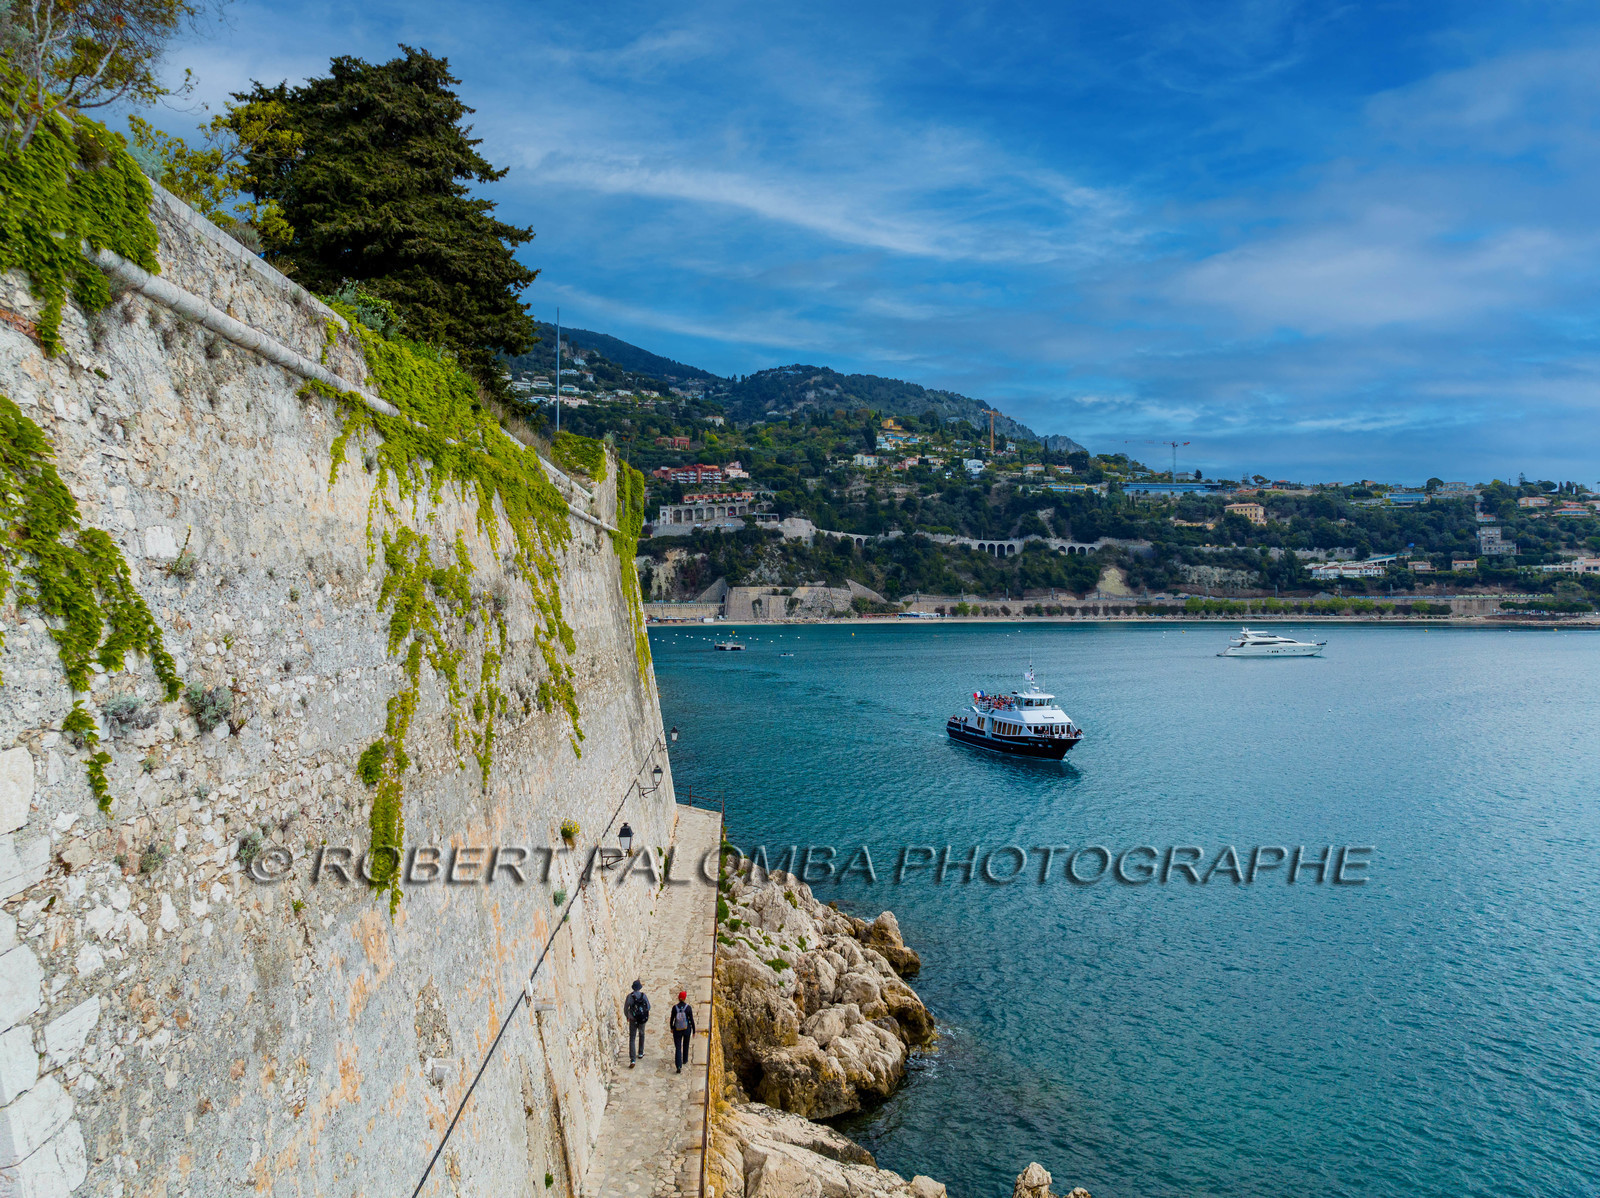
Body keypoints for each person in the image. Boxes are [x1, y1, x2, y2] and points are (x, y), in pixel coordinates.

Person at [623, 980, 649, 1067]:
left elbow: (626, 1008)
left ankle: (633, 1059)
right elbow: (648, 1007)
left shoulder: (629, 997)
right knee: (642, 1034)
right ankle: (641, 1053)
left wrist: (628, 1016)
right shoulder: (643, 996)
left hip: (633, 1019)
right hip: (642, 1019)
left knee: (632, 1038)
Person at [669, 990, 696, 1073]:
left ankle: (678, 1066)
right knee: (686, 1044)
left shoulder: (675, 1008)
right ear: (685, 998)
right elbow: (691, 1020)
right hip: (686, 1029)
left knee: (678, 1047)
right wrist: (694, 1030)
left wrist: (672, 1028)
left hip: (677, 1030)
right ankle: (685, 1059)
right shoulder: (688, 1008)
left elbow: (672, 1019)